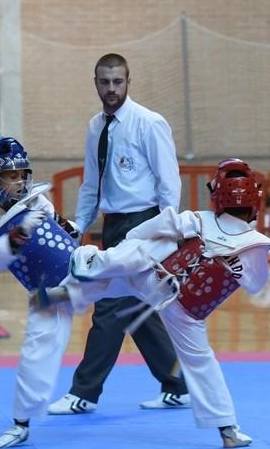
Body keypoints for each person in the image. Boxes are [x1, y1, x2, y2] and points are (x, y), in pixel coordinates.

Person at [36, 159, 270, 448]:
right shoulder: (257, 245)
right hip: (188, 309)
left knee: (139, 257)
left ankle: (82, 271)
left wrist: (134, 240)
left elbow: (153, 227)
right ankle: (228, 430)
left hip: (154, 279)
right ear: (255, 201)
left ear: (216, 195)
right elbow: (255, 285)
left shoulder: (197, 219)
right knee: (201, 361)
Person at [49, 52, 190, 416]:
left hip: (143, 223)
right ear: (95, 82)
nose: (111, 89)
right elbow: (91, 184)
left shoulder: (149, 122)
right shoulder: (95, 126)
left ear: (128, 82)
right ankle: (179, 385)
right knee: (136, 308)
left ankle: (84, 392)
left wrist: (166, 230)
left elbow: (168, 181)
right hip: (113, 224)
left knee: (110, 306)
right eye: (104, 82)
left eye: (118, 82)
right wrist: (78, 227)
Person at [0, 136, 79, 449]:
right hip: (52, 291)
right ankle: (21, 424)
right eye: (11, 176)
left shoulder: (37, 202)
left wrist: (68, 227)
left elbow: (58, 230)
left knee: (128, 265)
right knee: (36, 350)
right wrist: (20, 233)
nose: (20, 181)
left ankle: (166, 274)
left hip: (84, 270)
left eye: (22, 174)